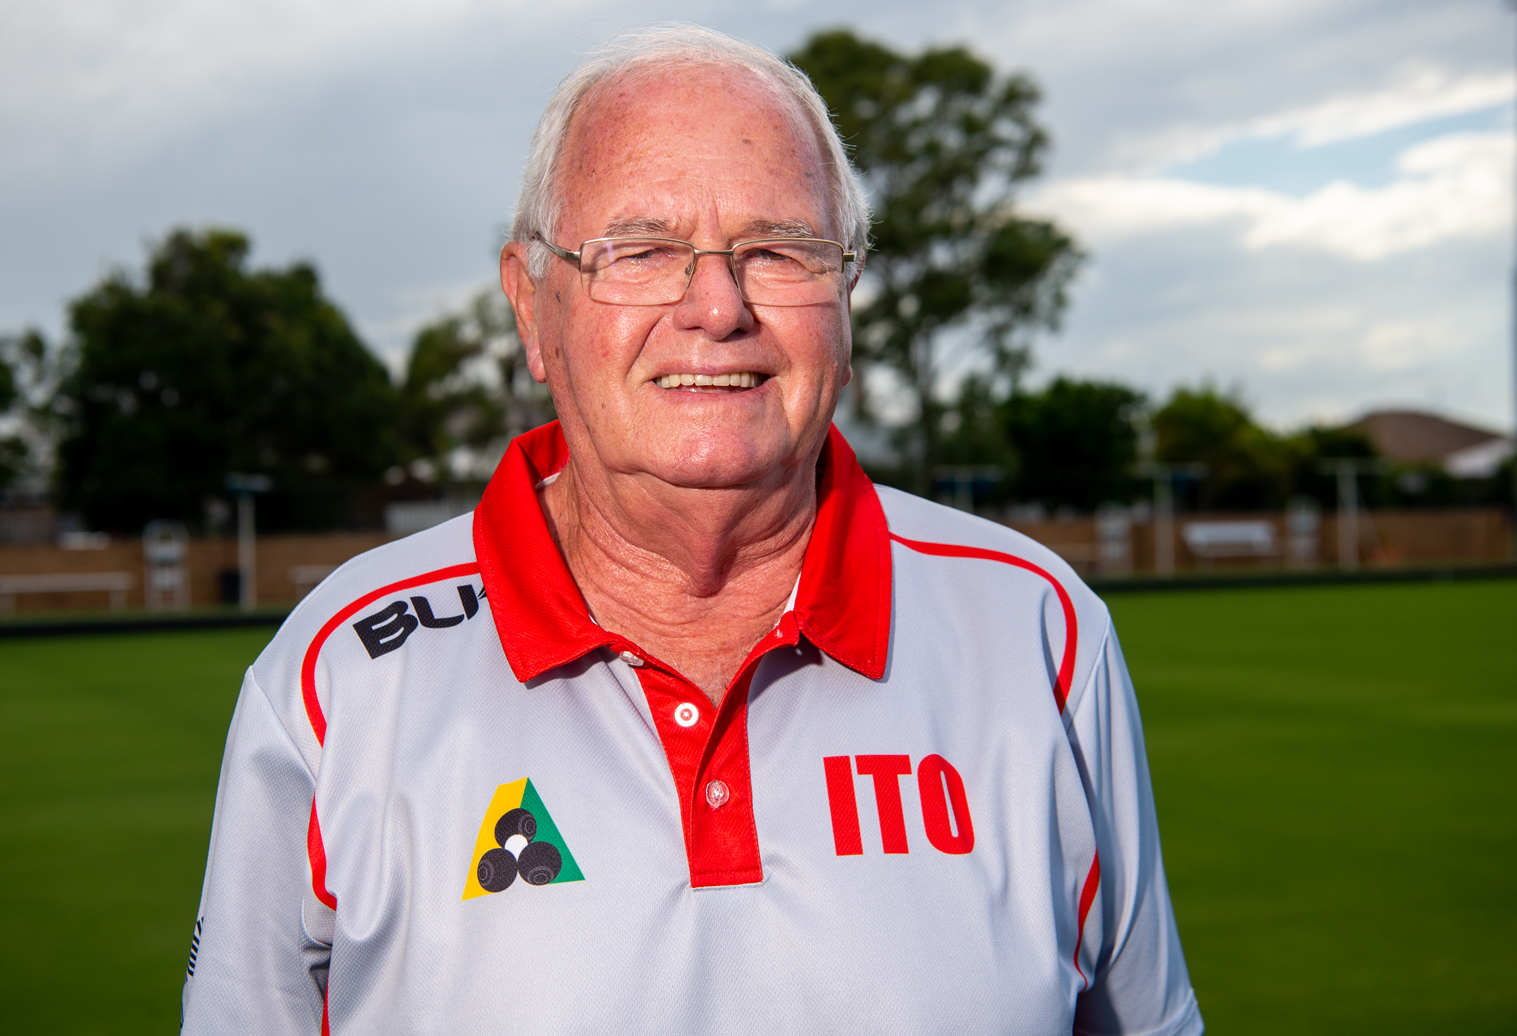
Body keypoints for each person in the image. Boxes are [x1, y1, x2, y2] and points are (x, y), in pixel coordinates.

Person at [180, 25, 1202, 1036]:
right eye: (644, 249)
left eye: (778, 249)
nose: (716, 306)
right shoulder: (336, 679)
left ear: (844, 297)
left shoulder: (1038, 631)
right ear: (534, 308)